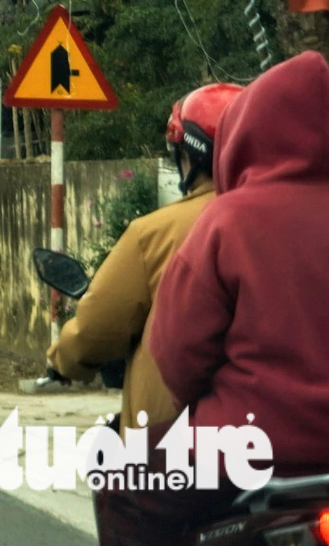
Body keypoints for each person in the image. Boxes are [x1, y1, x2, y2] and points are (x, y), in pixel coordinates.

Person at [41, 83, 239, 545]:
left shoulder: (156, 234)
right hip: (294, 451)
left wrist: (63, 359)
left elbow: (94, 330)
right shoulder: (294, 221)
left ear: (188, 156)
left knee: (122, 493)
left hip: (182, 449)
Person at [144, 51, 329, 540]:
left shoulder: (229, 221)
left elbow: (177, 353)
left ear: (247, 134)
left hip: (240, 448)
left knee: (122, 483)